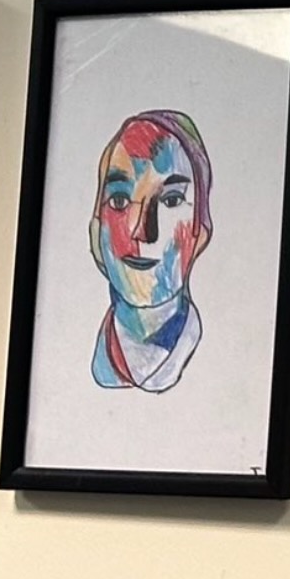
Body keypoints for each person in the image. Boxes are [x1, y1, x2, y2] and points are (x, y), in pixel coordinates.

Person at [89, 110, 215, 393]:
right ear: (96, 231)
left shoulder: (205, 358)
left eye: (171, 200)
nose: (141, 231)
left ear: (201, 231)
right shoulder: (95, 358)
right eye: (119, 200)